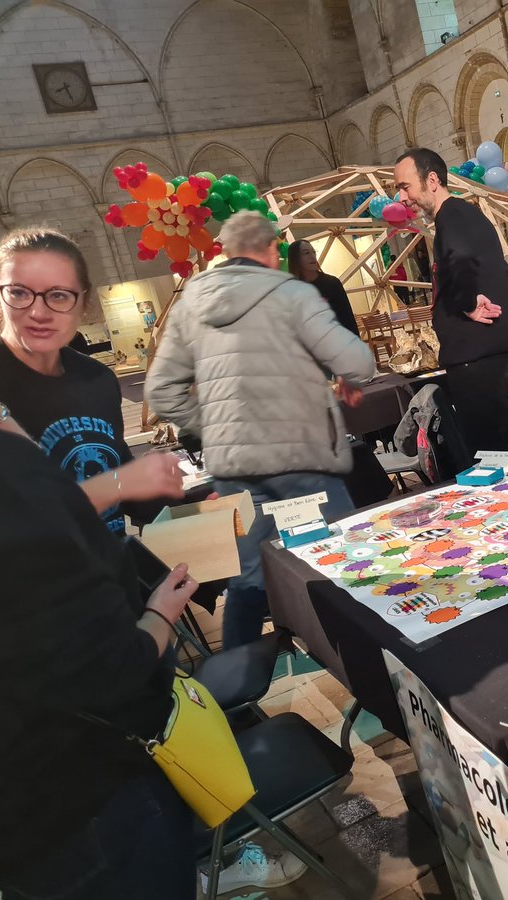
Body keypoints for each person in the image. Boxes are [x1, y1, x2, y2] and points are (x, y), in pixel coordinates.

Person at [0, 340, 201, 899]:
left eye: (60, 298)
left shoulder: (85, 384)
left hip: (1, 803)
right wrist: (160, 615)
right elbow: (108, 666)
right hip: (68, 792)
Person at [147, 211, 377, 649]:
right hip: (304, 460)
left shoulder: (192, 302)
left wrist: (219, 428)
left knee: (249, 578)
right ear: (272, 250)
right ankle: (368, 660)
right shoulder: (292, 294)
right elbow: (358, 362)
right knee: (343, 560)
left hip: (237, 469)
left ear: (227, 251)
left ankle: (237, 680)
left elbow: (161, 391)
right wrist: (344, 374)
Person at [0, 227, 185, 535]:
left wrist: (181, 508)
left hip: (110, 560)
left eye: (58, 295)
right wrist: (119, 483)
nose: (39, 311)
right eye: (19, 293)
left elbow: (117, 470)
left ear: (82, 303)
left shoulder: (97, 379)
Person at [394, 147, 508, 456]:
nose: (401, 197)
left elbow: (462, 259)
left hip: (474, 354)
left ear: (432, 180)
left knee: (488, 449)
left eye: (405, 187)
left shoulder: (452, 217)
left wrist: (468, 303)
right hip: (481, 351)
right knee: (497, 442)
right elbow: (507, 279)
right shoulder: (464, 216)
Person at [287, 239, 361, 336]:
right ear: (295, 259)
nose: (312, 256)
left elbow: (348, 318)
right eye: (306, 253)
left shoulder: (332, 283)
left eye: (313, 252)